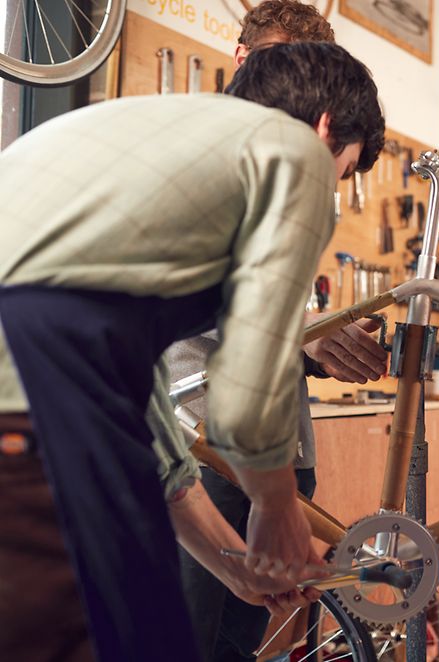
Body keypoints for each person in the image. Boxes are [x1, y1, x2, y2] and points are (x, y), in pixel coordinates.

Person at [0, 41, 385, 662]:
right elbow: (247, 387)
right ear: (324, 129)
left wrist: (236, 567)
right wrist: (277, 504)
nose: (330, 189)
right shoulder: (294, 152)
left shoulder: (124, 140)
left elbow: (138, 403)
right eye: (341, 171)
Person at [164, 4, 388, 660]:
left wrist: (310, 342)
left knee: (234, 639)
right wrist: (271, 496)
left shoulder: (270, 183)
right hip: (200, 438)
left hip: (243, 442)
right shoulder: (203, 163)